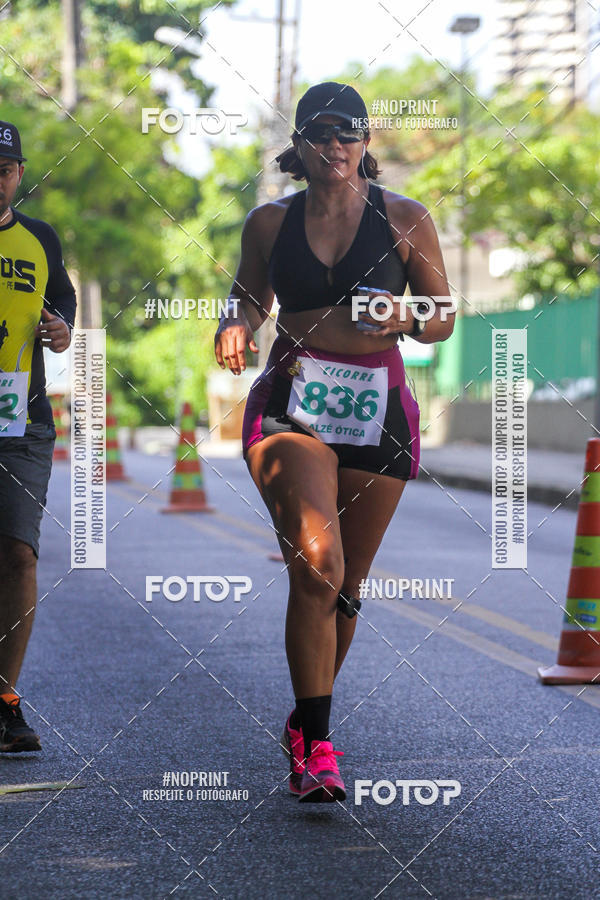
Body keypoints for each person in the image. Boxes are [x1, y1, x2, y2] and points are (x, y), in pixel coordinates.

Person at [214, 83, 454, 802]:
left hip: (377, 408)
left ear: (366, 142)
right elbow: (249, 296)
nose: (336, 146)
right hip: (294, 401)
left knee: (346, 586)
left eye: (349, 133)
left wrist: (409, 318)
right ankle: (319, 747)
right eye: (321, 134)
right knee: (317, 562)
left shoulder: (407, 219)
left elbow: (442, 314)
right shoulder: (268, 222)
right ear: (301, 144)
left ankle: (305, 721)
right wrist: (236, 321)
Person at [0, 121, 76, 751]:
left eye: (4, 168)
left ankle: (4, 698)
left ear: (18, 174)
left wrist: (61, 331)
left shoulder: (41, 239)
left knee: (19, 554)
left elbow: (64, 310)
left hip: (20, 420)